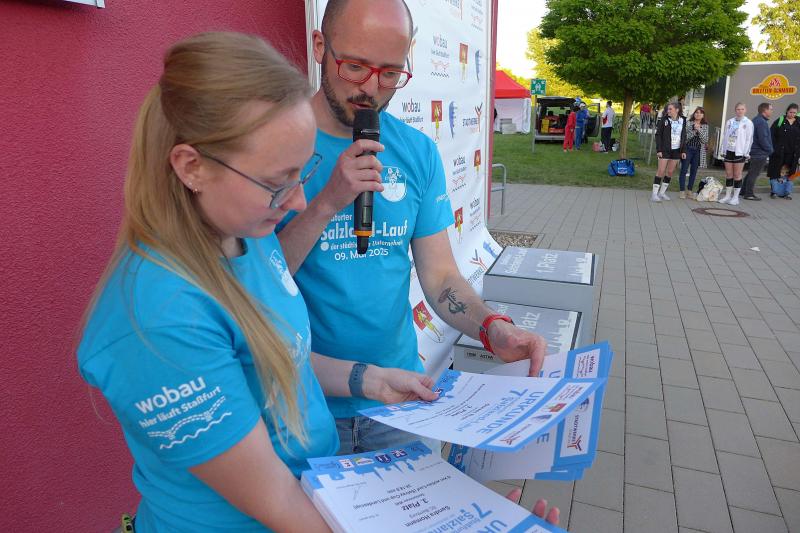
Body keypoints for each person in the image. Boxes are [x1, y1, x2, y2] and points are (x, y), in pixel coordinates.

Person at [75, 32, 475, 532]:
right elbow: (277, 502)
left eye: (302, 174)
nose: (298, 202)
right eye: (276, 182)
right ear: (191, 167)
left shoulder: (249, 237)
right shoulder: (159, 318)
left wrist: (369, 379)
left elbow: (277, 357)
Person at [276, 0, 548, 456]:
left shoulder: (416, 151)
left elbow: (440, 277)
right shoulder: (274, 145)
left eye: (389, 74)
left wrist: (492, 329)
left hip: (400, 396)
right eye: (355, 67)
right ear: (320, 47)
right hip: (301, 402)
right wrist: (325, 204)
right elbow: (253, 284)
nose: (370, 89)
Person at [718, 102, 754, 206]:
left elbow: (749, 139)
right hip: (729, 151)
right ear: (735, 110)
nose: (740, 111)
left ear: (745, 110)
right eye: (738, 109)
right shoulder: (730, 121)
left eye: (742, 109)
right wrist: (723, 149)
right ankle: (727, 196)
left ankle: (735, 197)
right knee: (729, 174)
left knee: (737, 175)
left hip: (740, 152)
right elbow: (725, 136)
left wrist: (746, 152)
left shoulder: (748, 123)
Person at [651, 102, 687, 202]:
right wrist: (659, 149)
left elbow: (684, 136)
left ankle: (662, 193)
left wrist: (683, 150)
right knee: (661, 171)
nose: (668, 111)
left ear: (677, 110)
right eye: (668, 109)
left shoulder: (683, 120)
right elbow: (658, 135)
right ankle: (654, 194)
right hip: (665, 149)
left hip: (676, 150)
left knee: (670, 172)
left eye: (671, 109)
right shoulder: (664, 120)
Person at [741, 102, 774, 201]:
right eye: (771, 109)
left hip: (756, 151)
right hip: (759, 153)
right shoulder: (761, 122)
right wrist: (770, 150)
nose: (772, 111)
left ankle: (743, 191)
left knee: (751, 172)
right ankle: (749, 194)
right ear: (765, 110)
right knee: (754, 173)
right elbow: (763, 139)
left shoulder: (757, 120)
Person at [767, 103, 800, 200]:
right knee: (776, 172)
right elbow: (771, 135)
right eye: (790, 112)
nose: (792, 114)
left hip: (793, 154)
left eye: (794, 113)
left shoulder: (798, 122)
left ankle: (786, 193)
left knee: (790, 173)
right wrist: (773, 149)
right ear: (787, 111)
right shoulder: (780, 121)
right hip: (779, 152)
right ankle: (774, 192)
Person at [678, 106, 709, 199]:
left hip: (698, 151)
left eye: (700, 113)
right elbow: (685, 137)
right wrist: (694, 130)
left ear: (703, 115)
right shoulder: (688, 123)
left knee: (694, 171)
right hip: (687, 149)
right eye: (696, 112)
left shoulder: (705, 126)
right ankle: (682, 191)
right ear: (694, 114)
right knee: (684, 170)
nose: (698, 114)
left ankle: (689, 190)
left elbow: (705, 140)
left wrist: (699, 130)